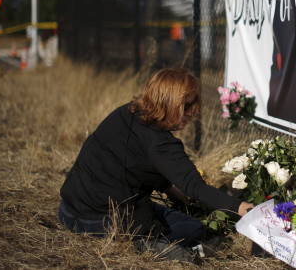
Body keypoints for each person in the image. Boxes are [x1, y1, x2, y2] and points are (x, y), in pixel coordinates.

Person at [58, 67, 253, 262]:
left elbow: (134, 163)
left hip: (69, 210)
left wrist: (169, 189)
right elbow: (195, 187)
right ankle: (144, 245)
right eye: (186, 105)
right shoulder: (160, 143)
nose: (193, 112)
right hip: (100, 221)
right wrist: (241, 208)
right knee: (192, 228)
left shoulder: (127, 113)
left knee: (164, 213)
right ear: (169, 103)